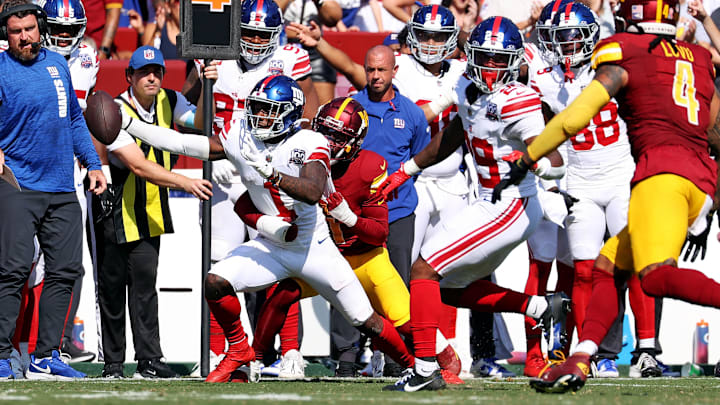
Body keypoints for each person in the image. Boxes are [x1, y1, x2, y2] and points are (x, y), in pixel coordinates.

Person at [116, 74, 417, 384]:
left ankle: (415, 367)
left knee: (364, 320)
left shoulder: (309, 140)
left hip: (313, 248)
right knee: (216, 281)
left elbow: (313, 190)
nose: (260, 116)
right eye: (258, 108)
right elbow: (183, 142)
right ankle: (239, 351)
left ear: (290, 113)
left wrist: (274, 175)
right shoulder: (242, 134)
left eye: (270, 110)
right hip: (274, 244)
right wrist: (130, 125)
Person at [489, 0, 720, 393]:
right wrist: (709, 202)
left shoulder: (623, 51)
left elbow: (573, 118)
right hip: (700, 180)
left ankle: (626, 350)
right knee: (605, 268)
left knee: (654, 277)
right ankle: (582, 357)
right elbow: (713, 133)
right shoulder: (699, 56)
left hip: (657, 177)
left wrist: (528, 158)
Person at [379, 17, 569, 392]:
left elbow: (555, 160)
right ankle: (541, 308)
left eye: (500, 61)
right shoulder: (466, 83)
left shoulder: (519, 99)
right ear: (471, 56)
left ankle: (423, 370)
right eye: (485, 58)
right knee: (443, 288)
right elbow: (455, 132)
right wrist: (409, 169)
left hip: (511, 203)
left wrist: (536, 161)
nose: (491, 68)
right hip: (488, 200)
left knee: (423, 270)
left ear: (515, 62)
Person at [244, 96, 462, 382]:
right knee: (283, 292)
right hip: (324, 257)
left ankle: (447, 361)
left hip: (367, 258)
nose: (328, 142)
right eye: (324, 132)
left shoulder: (369, 166)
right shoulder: (299, 155)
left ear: (355, 141)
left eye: (338, 136)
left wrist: (350, 218)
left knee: (407, 323)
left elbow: (380, 232)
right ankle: (255, 358)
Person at [194, 0, 317, 377]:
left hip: (268, 174)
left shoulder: (291, 58)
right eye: (247, 33)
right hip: (223, 172)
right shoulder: (218, 59)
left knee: (283, 263)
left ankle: (290, 351)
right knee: (219, 265)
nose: (253, 42)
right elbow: (200, 121)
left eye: (263, 35)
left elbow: (308, 116)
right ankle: (223, 352)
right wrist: (206, 83)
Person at [0, 0, 106, 380]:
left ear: (38, 29)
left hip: (62, 185)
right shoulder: (0, 68)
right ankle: (0, 354)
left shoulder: (59, 64)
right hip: (17, 183)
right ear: (6, 36)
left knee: (65, 271)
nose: (24, 37)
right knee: (11, 270)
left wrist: (93, 164)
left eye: (29, 29)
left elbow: (75, 119)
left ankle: (46, 355)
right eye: (16, 31)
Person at [97, 46, 212, 379]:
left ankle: (150, 360)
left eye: (158, 71)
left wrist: (205, 85)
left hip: (150, 211)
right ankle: (114, 364)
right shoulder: (115, 109)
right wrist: (184, 182)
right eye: (145, 72)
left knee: (146, 288)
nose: (152, 78)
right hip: (117, 210)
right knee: (113, 289)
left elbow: (201, 123)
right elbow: (138, 165)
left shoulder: (170, 100)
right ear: (129, 76)